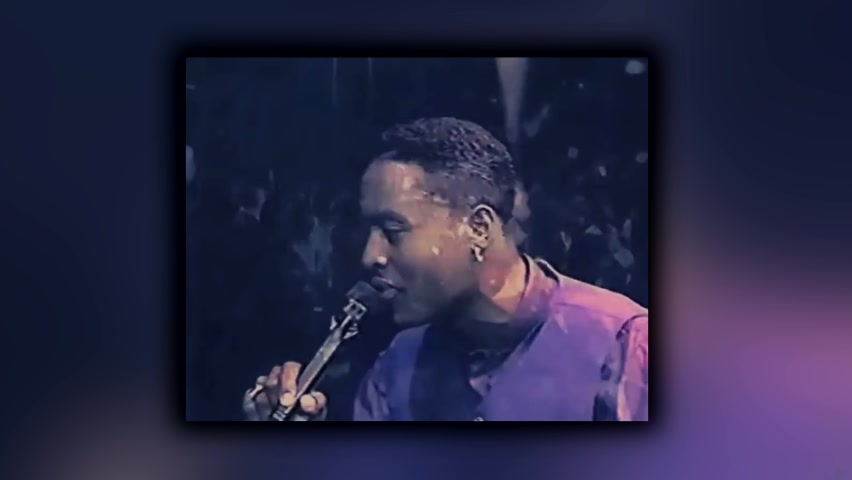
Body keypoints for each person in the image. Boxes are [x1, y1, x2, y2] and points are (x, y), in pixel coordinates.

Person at [242, 117, 648, 421]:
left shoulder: (621, 341)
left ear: (478, 228)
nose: (370, 255)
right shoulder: (395, 368)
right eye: (369, 230)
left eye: (393, 230)